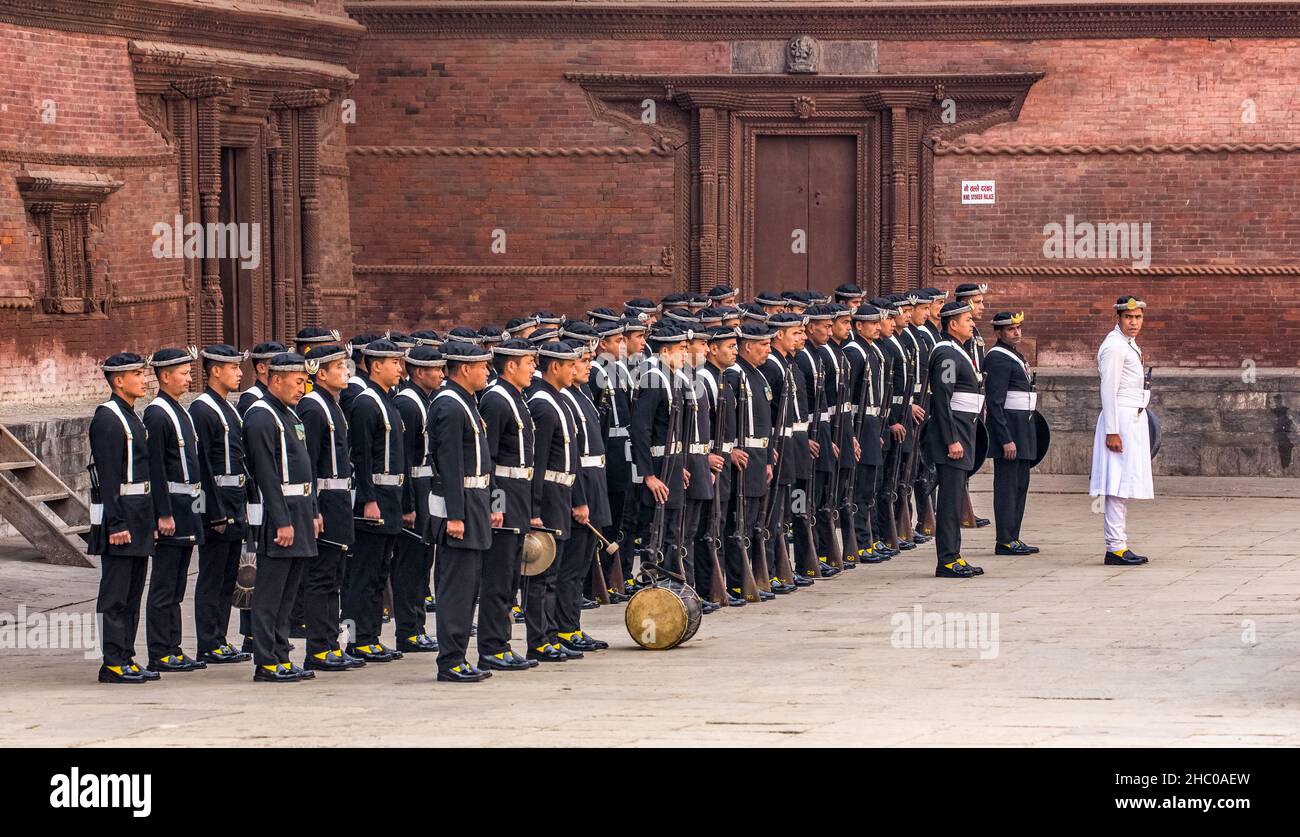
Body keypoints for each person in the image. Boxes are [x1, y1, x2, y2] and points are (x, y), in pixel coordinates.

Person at [242, 352, 322, 682]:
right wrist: (282, 521)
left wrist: (313, 511)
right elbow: (266, 474)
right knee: (271, 593)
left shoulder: (289, 414)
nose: (303, 388)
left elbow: (306, 468)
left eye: (305, 382)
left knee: (289, 593)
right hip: (282, 517)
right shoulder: (261, 416)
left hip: (301, 511)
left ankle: (281, 652)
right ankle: (266, 660)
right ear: (276, 380)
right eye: (298, 381)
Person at [427, 341, 496, 682]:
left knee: (469, 585)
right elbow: (450, 465)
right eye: (483, 365)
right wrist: (455, 515)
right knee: (456, 586)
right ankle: (450, 660)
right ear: (465, 369)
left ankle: (458, 655)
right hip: (462, 506)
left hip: (475, 500)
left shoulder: (466, 401)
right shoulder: (450, 405)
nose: (487, 371)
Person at [89, 353, 158, 684]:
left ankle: (126, 656)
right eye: (137, 374)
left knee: (132, 593)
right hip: (121, 520)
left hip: (139, 516)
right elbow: (108, 476)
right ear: (118, 381)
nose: (144, 380)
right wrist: (115, 524)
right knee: (116, 594)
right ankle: (112, 661)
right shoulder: (108, 418)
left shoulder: (133, 416)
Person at [297, 343, 363, 672]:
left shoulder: (333, 404)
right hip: (323, 498)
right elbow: (306, 462)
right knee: (321, 577)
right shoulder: (313, 407)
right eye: (339, 367)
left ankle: (330, 643)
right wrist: (312, 509)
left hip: (339, 499)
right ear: (320, 374)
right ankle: (317, 647)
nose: (346, 372)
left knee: (335, 576)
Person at [143, 347, 208, 673]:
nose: (189, 377)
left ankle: (174, 646)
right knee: (164, 585)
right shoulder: (157, 414)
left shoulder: (179, 411)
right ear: (165, 376)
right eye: (183, 373)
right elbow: (155, 468)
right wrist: (162, 513)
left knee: (178, 585)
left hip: (187, 509)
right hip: (171, 511)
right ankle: (160, 651)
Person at [478, 339, 541, 671]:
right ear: (510, 365)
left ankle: (501, 642)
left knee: (510, 578)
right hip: (505, 496)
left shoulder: (517, 398)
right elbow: (488, 459)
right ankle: (491, 646)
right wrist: (495, 504)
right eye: (528, 362)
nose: (533, 367)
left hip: (519, 494)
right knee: (499, 579)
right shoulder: (496, 400)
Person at [189, 344, 254, 665]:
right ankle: (207, 641)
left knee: (229, 576)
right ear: (215, 370)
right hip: (216, 508)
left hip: (234, 503)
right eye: (233, 368)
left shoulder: (228, 407)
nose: (240, 373)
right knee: (212, 576)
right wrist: (212, 512)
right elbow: (202, 467)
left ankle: (220, 638)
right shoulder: (202, 409)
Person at [344, 338, 408, 662]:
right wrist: (368, 499)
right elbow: (362, 457)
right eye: (394, 362)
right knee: (363, 574)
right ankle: (356, 639)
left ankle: (371, 636)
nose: (399, 368)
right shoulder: (366, 402)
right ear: (375, 365)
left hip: (391, 496)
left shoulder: (389, 400)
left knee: (380, 572)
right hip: (375, 499)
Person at [525, 341, 588, 663]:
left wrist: (577, 498)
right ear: (555, 367)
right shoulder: (542, 403)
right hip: (547, 494)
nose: (575, 369)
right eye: (570, 364)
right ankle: (539, 639)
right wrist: (534, 510)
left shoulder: (559, 400)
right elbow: (536, 463)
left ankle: (550, 634)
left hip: (562, 492)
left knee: (556, 568)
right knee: (543, 574)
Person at [1088, 295, 1154, 566]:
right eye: (1129, 317)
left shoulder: (1128, 344)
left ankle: (1119, 543)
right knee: (1115, 484)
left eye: (1138, 317)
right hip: (1120, 420)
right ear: (1118, 318)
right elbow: (1109, 389)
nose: (1134, 322)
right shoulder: (1114, 346)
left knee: (1122, 484)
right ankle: (1115, 546)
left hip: (1131, 418)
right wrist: (1112, 431)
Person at [557, 337, 611, 653]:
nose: (589, 366)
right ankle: (564, 628)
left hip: (595, 478)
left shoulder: (581, 394)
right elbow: (571, 456)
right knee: (572, 564)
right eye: (583, 361)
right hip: (582, 482)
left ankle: (572, 624)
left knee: (581, 563)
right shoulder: (562, 399)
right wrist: (579, 498)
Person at [926, 302, 985, 579]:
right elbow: (942, 399)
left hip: (964, 433)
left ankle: (954, 554)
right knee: (949, 501)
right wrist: (951, 439)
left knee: (955, 497)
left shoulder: (957, 351)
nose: (972, 324)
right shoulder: (947, 355)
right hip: (954, 438)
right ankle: (947, 559)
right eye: (967, 320)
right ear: (952, 325)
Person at [392, 345, 441, 654]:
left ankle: (418, 625)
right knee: (410, 564)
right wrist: (408, 505)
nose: (440, 374)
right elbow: (405, 460)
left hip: (426, 485)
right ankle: (407, 629)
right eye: (435, 369)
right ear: (420, 371)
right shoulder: (408, 404)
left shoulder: (424, 400)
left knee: (424, 560)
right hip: (414, 487)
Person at [724, 323, 776, 601]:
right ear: (748, 347)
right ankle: (736, 582)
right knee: (738, 524)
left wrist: (768, 458)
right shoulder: (735, 375)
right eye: (764, 345)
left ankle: (753, 579)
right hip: (742, 458)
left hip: (758, 457)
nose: (769, 349)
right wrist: (730, 449)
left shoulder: (758, 374)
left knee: (755, 522)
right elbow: (726, 420)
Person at [984, 312, 1041, 556]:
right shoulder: (997, 358)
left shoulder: (1016, 355)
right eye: (1010, 329)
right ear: (998, 333)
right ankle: (1005, 539)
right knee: (1007, 488)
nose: (1017, 332)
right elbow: (995, 403)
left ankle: (1014, 536)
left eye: (1018, 328)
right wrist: (1005, 438)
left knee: (1020, 486)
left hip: (1023, 430)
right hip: (1010, 433)